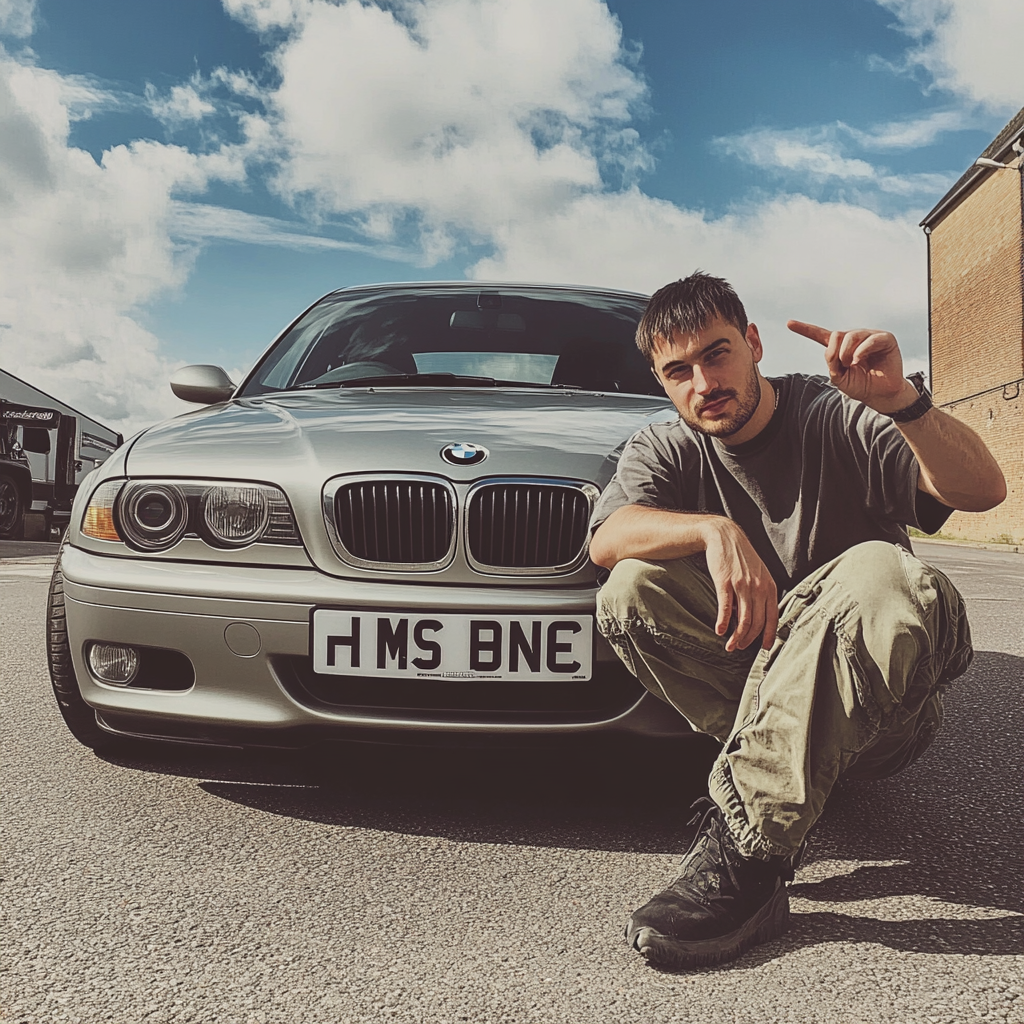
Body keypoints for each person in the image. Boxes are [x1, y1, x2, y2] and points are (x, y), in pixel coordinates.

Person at [588, 271, 1006, 969]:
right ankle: (788, 773)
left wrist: (904, 402)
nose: (703, 383)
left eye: (717, 353)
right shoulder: (665, 446)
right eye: (678, 370)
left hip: (884, 711)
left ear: (753, 343)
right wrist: (715, 531)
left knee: (881, 571)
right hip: (765, 681)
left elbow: (981, 490)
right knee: (631, 587)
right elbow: (606, 539)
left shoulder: (834, 414)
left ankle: (751, 850)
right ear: (662, 382)